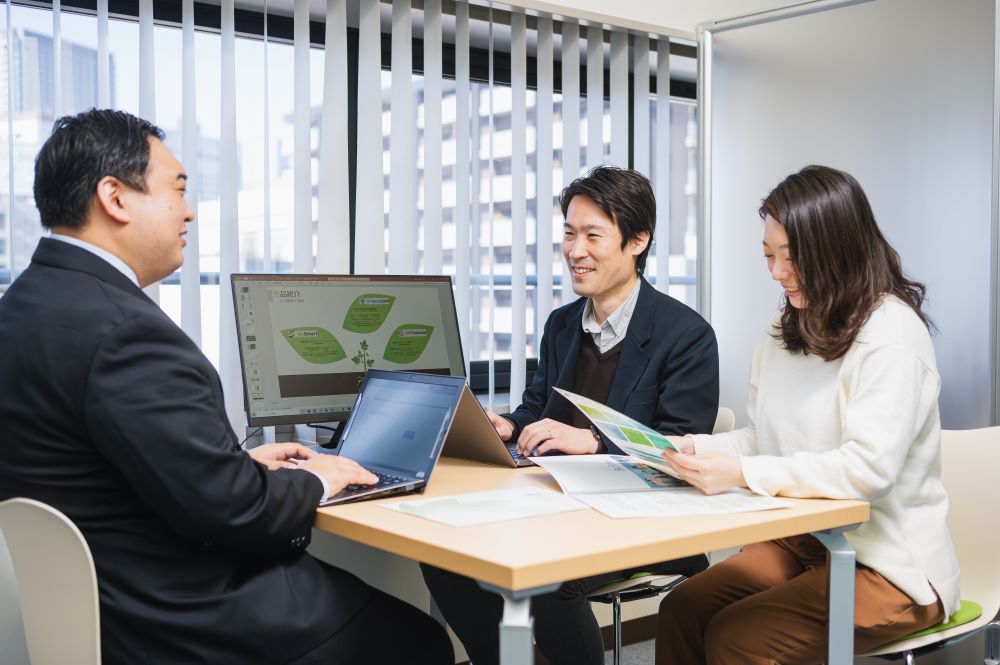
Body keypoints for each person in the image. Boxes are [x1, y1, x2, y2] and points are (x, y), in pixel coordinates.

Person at [0, 109, 453, 665]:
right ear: (115, 198)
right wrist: (317, 476)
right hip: (188, 618)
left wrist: (236, 466)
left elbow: (103, 468)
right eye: (178, 189)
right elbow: (237, 516)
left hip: (104, 606)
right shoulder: (125, 332)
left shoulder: (22, 309)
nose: (188, 211)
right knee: (424, 641)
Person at [655, 165, 960, 665]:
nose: (776, 272)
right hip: (803, 542)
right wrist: (697, 448)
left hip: (887, 564)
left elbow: (867, 471)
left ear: (837, 250)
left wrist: (741, 471)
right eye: (768, 256)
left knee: (736, 637)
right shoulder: (787, 325)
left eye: (790, 258)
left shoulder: (891, 334)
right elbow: (761, 439)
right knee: (682, 608)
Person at [422, 165, 720, 665]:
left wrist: (595, 443)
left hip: (642, 518)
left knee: (544, 577)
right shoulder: (562, 324)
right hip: (557, 505)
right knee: (445, 557)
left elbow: (683, 449)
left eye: (592, 236)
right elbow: (539, 405)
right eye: (568, 234)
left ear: (637, 241)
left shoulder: (685, 335)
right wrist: (511, 424)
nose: (575, 250)